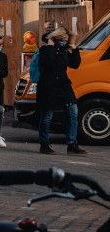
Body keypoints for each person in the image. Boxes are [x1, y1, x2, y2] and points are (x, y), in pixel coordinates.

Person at [36, 25, 85, 155]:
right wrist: (51, 45)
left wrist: (73, 45)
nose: (65, 40)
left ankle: (72, 144)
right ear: (56, 38)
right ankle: (44, 144)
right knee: (47, 116)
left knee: (73, 112)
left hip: (64, 86)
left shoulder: (63, 50)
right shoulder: (45, 50)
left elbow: (75, 64)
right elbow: (50, 64)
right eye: (63, 38)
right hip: (48, 87)